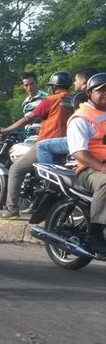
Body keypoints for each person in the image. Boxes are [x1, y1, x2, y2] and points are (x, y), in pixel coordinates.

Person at [0, 71, 74, 218]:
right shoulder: (74, 99)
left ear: (53, 86)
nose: (29, 87)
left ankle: (12, 209)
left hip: (46, 142)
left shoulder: (49, 100)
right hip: (67, 145)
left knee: (15, 169)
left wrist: (7, 129)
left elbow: (28, 119)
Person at [65, 72, 106, 255]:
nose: (105, 93)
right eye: (101, 90)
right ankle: (94, 234)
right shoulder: (82, 117)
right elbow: (79, 152)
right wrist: (103, 167)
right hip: (89, 169)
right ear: (90, 93)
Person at [36, 67, 99, 164]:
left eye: (76, 80)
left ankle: (48, 178)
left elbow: (28, 118)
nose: (74, 83)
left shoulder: (79, 97)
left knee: (42, 146)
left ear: (83, 81)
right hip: (95, 135)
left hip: (85, 139)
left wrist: (7, 129)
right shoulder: (76, 96)